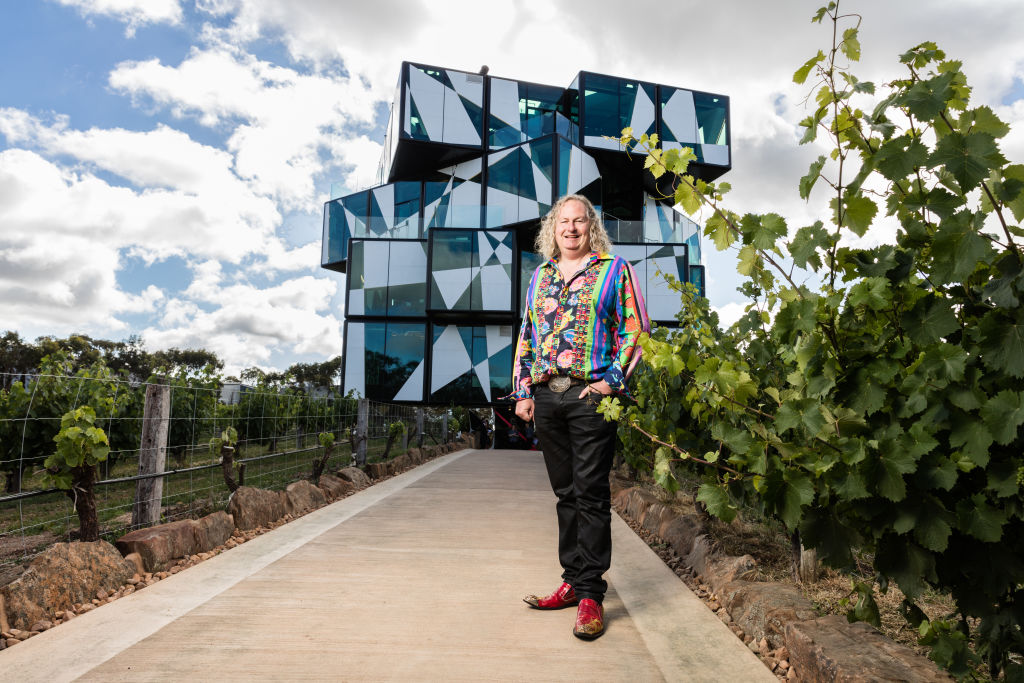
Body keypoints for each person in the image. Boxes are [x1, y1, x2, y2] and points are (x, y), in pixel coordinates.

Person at [508, 194, 649, 640]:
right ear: (553, 228)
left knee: (590, 493)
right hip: (547, 398)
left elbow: (637, 328)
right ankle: (571, 582)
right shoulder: (541, 277)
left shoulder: (614, 270)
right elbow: (527, 333)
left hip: (591, 396)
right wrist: (523, 391)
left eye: (579, 221)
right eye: (563, 222)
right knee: (565, 493)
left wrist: (611, 381)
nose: (571, 229)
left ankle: (591, 594)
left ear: (592, 226)